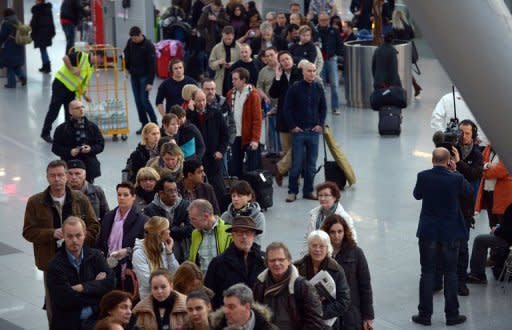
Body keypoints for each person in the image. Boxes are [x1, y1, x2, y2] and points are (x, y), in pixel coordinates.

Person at [23, 160, 99, 326]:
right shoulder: (35, 202)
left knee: (82, 300)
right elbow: (28, 232)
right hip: (51, 263)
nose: (57, 179)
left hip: (80, 261)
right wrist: (51, 233)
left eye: (60, 175)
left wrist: (79, 238)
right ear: (47, 177)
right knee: (55, 305)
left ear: (66, 176)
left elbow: (94, 225)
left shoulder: (79, 198)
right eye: (53, 175)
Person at [411, 147, 472, 326]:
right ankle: (452, 316)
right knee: (451, 274)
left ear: (432, 159)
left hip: (428, 232)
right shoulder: (457, 178)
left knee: (427, 272)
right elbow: (468, 193)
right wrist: (455, 170)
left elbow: (416, 195)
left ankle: (424, 315)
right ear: (448, 161)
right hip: (450, 233)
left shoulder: (423, 176)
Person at [46, 216, 116, 330]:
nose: (74, 240)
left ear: (84, 234)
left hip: (96, 320)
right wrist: (98, 294)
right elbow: (64, 299)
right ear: (63, 236)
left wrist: (83, 287)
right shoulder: (55, 265)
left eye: (78, 235)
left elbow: (111, 283)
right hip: (69, 323)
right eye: (70, 236)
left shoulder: (96, 256)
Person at [253, 242, 324, 329]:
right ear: (267, 263)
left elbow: (316, 323)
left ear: (289, 261)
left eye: (281, 259)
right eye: (272, 260)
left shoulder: (303, 286)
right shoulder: (260, 285)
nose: (277, 263)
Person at [321, 214, 374, 330]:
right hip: (329, 315)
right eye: (332, 232)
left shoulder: (356, 253)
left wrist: (368, 317)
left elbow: (365, 286)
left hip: (351, 315)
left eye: (340, 231)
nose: (337, 236)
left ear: (345, 232)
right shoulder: (320, 255)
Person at [284, 61, 326, 202]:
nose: (312, 73)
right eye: (309, 71)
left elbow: (323, 108)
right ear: (303, 72)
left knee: (311, 164)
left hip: (314, 132)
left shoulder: (318, 87)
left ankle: (308, 191)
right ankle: (292, 191)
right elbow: (287, 109)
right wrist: (293, 126)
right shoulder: (294, 88)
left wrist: (320, 124)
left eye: (314, 71)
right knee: (296, 164)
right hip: (299, 132)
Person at [40, 49, 102, 143]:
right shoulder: (81, 56)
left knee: (70, 113)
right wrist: (72, 69)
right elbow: (65, 58)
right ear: (97, 56)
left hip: (71, 90)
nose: (102, 62)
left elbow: (83, 83)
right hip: (61, 84)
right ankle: (45, 133)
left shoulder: (91, 67)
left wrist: (85, 95)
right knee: (54, 109)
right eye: (102, 60)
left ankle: (67, 135)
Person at [204, 216, 266, 308]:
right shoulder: (218, 263)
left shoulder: (264, 260)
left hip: (259, 317)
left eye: (248, 233)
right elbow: (209, 295)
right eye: (240, 233)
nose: (244, 236)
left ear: (254, 235)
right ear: (232, 235)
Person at [97, 182, 149, 290]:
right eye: (119, 195)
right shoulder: (108, 217)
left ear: (133, 197)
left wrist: (127, 251)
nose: (121, 198)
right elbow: (101, 243)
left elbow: (148, 247)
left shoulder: (143, 220)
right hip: (107, 267)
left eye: (125, 195)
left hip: (128, 269)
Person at [294, 230, 351, 329]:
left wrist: (318, 312)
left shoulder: (337, 270)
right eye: (314, 245)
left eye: (321, 246)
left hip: (328, 324)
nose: (317, 249)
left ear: (327, 248)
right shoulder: (297, 268)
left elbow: (344, 301)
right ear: (309, 247)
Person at [187, 89, 229, 204]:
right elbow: (187, 129)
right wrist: (190, 112)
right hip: (198, 159)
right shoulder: (189, 115)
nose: (201, 103)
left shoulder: (216, 113)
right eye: (198, 101)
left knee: (219, 188)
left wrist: (221, 150)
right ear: (193, 101)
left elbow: (225, 134)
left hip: (214, 157)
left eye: (203, 100)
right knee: (198, 189)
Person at [269, 51, 302, 186]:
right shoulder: (279, 77)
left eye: (287, 58)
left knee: (299, 148)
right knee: (288, 150)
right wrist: (277, 77)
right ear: (279, 63)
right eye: (282, 60)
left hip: (299, 117)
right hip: (283, 119)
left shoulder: (300, 73)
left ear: (292, 59)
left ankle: (280, 168)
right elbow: (273, 94)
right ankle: (293, 177)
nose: (285, 61)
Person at [52, 99, 105, 183]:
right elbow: (55, 148)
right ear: (70, 111)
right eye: (77, 108)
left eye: (82, 107)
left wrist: (90, 149)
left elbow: (100, 144)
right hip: (69, 165)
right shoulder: (62, 129)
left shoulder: (92, 127)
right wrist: (69, 152)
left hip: (89, 166)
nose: (81, 110)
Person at [144, 177, 193, 263]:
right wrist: (179, 228)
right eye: (170, 191)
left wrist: (168, 230)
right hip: (161, 255)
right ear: (161, 193)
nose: (174, 194)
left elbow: (190, 229)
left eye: (175, 190)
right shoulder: (150, 210)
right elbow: (153, 234)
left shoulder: (185, 205)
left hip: (184, 253)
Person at [226, 67, 263, 177]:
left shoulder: (253, 95)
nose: (233, 81)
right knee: (235, 167)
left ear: (243, 80)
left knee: (251, 169)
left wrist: (255, 139)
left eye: (235, 79)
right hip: (234, 136)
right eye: (232, 79)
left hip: (249, 138)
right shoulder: (230, 94)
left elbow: (257, 119)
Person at [302, 181, 357, 254]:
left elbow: (352, 240)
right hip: (317, 254)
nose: (322, 198)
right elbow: (308, 238)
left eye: (326, 195)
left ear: (335, 197)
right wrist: (305, 257)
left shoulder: (344, 217)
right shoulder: (314, 215)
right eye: (320, 195)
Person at [132, 217, 180, 299]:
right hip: (149, 299)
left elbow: (176, 273)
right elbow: (147, 282)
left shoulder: (163, 247)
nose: (169, 231)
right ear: (159, 234)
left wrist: (169, 253)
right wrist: (167, 284)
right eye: (167, 229)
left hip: (168, 295)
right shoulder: (139, 254)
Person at [124, 26, 158, 134]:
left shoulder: (148, 46)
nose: (133, 40)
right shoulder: (130, 42)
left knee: (144, 100)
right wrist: (126, 67)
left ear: (140, 35)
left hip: (145, 77)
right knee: (138, 102)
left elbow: (152, 65)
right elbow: (126, 54)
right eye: (132, 38)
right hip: (134, 76)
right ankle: (144, 124)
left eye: (135, 38)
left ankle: (154, 123)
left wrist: (150, 82)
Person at [468, 204, 512, 284]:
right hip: (507, 235)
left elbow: (509, 232)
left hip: (508, 239)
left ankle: (477, 275)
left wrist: (497, 231)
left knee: (480, 240)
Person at [187, 199, 232, 273]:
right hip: (202, 282)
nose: (191, 223)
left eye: (193, 219)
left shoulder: (229, 231)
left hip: (224, 281)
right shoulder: (195, 234)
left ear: (206, 216)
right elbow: (192, 260)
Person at [475, 145, 512, 229]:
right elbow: (479, 164)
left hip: (502, 195)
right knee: (492, 224)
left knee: (502, 224)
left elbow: (500, 171)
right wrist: (487, 166)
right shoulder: (488, 148)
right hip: (488, 192)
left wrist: (484, 171)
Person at [210, 283, 277, 329]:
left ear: (247, 307)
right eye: (225, 306)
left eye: (231, 307)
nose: (226, 311)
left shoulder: (268, 328)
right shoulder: (217, 326)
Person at [221, 180, 266, 246]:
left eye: (239, 196)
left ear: (249, 196)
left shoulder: (258, 216)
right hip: (228, 253)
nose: (235, 199)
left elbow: (257, 241)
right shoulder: (225, 216)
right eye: (233, 196)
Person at [317, 12, 343, 114]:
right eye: (322, 20)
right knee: (321, 85)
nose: (324, 22)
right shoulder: (315, 31)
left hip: (331, 59)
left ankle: (335, 107)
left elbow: (339, 44)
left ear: (329, 20)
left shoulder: (334, 30)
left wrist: (336, 54)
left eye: (326, 20)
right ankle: (321, 107)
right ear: (318, 20)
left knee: (335, 85)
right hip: (320, 61)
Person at [391, 8, 421, 97]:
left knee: (398, 70)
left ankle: (411, 87)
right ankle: (416, 87)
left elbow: (393, 40)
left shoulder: (395, 27)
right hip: (409, 49)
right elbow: (412, 36)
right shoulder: (408, 26)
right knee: (406, 69)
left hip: (399, 50)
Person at [209, 25, 241, 95]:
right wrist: (219, 63)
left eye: (229, 39)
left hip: (235, 77)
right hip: (220, 78)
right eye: (225, 39)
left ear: (233, 36)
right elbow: (211, 64)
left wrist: (233, 64)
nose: (227, 41)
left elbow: (242, 62)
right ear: (222, 36)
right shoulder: (217, 48)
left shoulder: (239, 47)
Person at [0, 8, 27, 89]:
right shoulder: (18, 22)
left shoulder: (6, 23)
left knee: (10, 66)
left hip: (10, 47)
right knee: (16, 65)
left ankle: (11, 84)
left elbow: (2, 36)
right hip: (19, 46)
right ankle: (22, 76)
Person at [30, 0, 56, 73]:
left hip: (40, 32)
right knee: (43, 49)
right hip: (47, 32)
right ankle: (45, 66)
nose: (35, 1)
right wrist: (52, 32)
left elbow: (34, 22)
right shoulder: (48, 9)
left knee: (43, 50)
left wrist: (32, 33)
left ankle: (47, 66)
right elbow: (51, 21)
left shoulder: (37, 9)